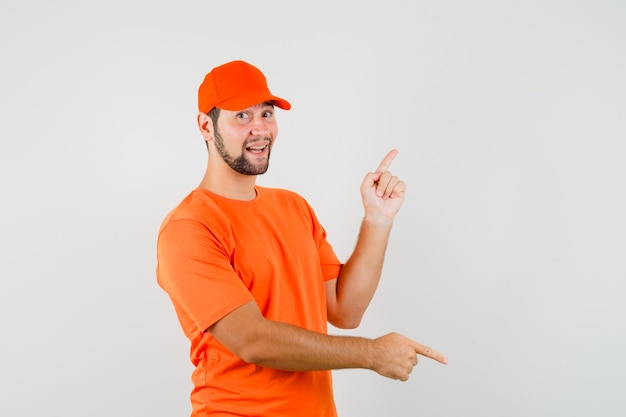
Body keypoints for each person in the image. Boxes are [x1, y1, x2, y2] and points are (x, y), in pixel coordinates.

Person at [156, 60, 447, 417]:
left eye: (266, 113)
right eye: (242, 117)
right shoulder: (189, 227)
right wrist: (371, 354)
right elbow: (252, 339)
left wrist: (377, 219)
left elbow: (345, 309)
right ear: (206, 125)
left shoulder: (293, 207)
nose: (260, 129)